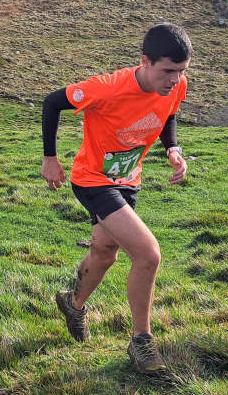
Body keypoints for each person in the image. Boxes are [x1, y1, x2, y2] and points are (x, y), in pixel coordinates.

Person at [41, 23, 191, 374]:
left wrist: (172, 149)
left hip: (129, 179)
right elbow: (52, 102)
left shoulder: (176, 85)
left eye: (181, 72)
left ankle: (73, 304)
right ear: (145, 61)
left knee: (104, 251)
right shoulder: (106, 88)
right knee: (147, 254)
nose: (174, 79)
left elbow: (168, 113)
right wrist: (50, 157)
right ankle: (141, 341)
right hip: (93, 180)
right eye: (167, 71)